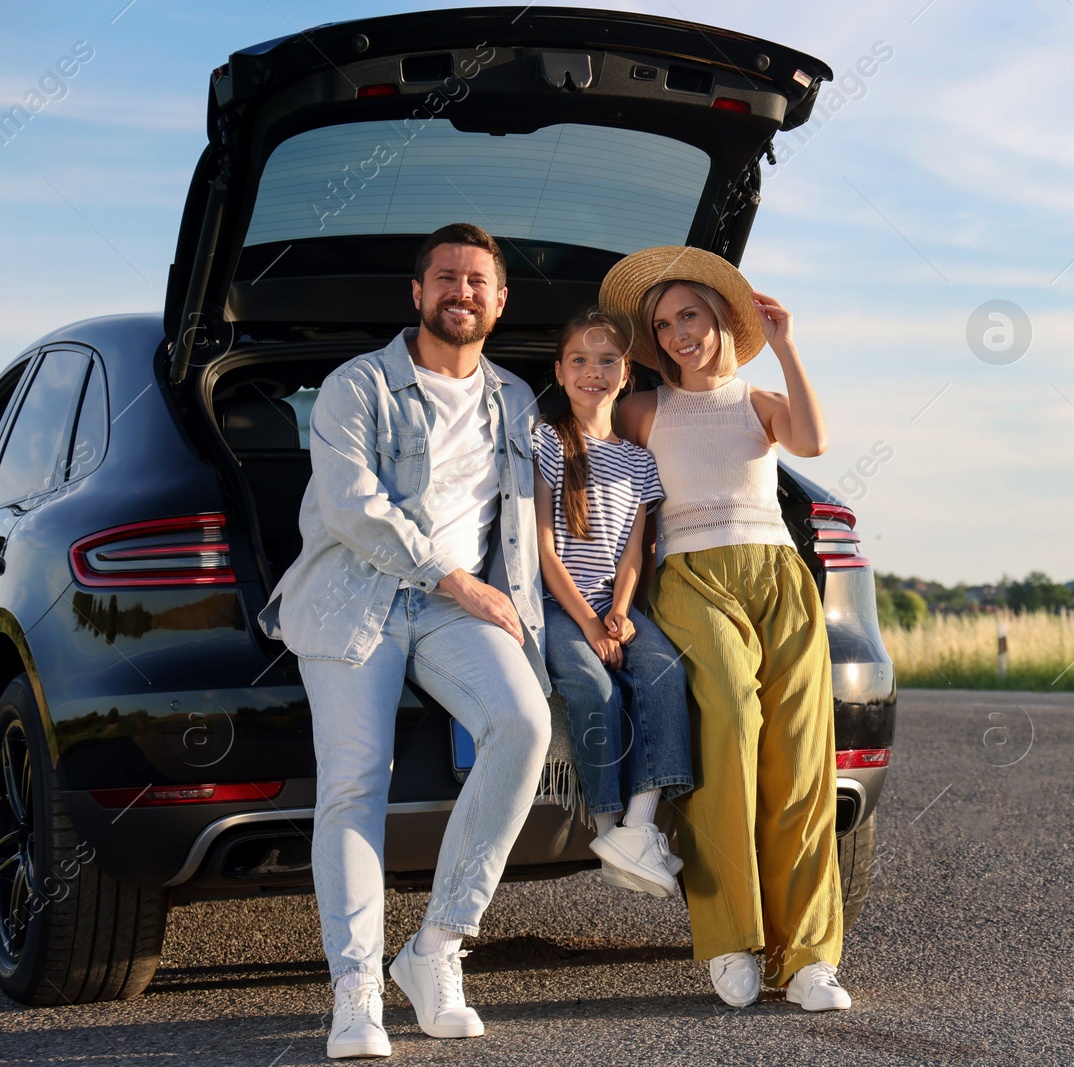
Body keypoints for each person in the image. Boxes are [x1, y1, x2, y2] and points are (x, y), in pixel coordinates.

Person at [259, 222, 553, 1059]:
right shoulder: (358, 386)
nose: (461, 292)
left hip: (458, 608)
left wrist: (543, 615)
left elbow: (533, 525)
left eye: (477, 282)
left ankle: (434, 949)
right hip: (356, 597)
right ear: (417, 293)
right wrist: (454, 578)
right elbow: (353, 506)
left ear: (500, 301)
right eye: (446, 278)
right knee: (356, 779)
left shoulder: (517, 400)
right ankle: (355, 988)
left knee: (523, 725)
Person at [602, 246, 851, 1012]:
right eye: (665, 323)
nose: (679, 333)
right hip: (692, 578)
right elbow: (594, 468)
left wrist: (786, 343)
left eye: (691, 317)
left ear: (720, 322)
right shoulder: (645, 410)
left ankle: (808, 958)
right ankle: (731, 939)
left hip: (779, 577)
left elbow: (812, 443)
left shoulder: (759, 399)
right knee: (731, 732)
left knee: (801, 758)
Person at [534, 309, 694, 897]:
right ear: (559, 370)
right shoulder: (547, 444)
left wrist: (621, 613)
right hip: (560, 604)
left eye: (606, 361)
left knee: (662, 672)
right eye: (579, 359)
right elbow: (545, 553)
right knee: (592, 684)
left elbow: (636, 553)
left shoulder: (638, 461)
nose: (592, 371)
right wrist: (591, 625)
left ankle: (639, 826)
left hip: (612, 603)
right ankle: (607, 828)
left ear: (625, 375)